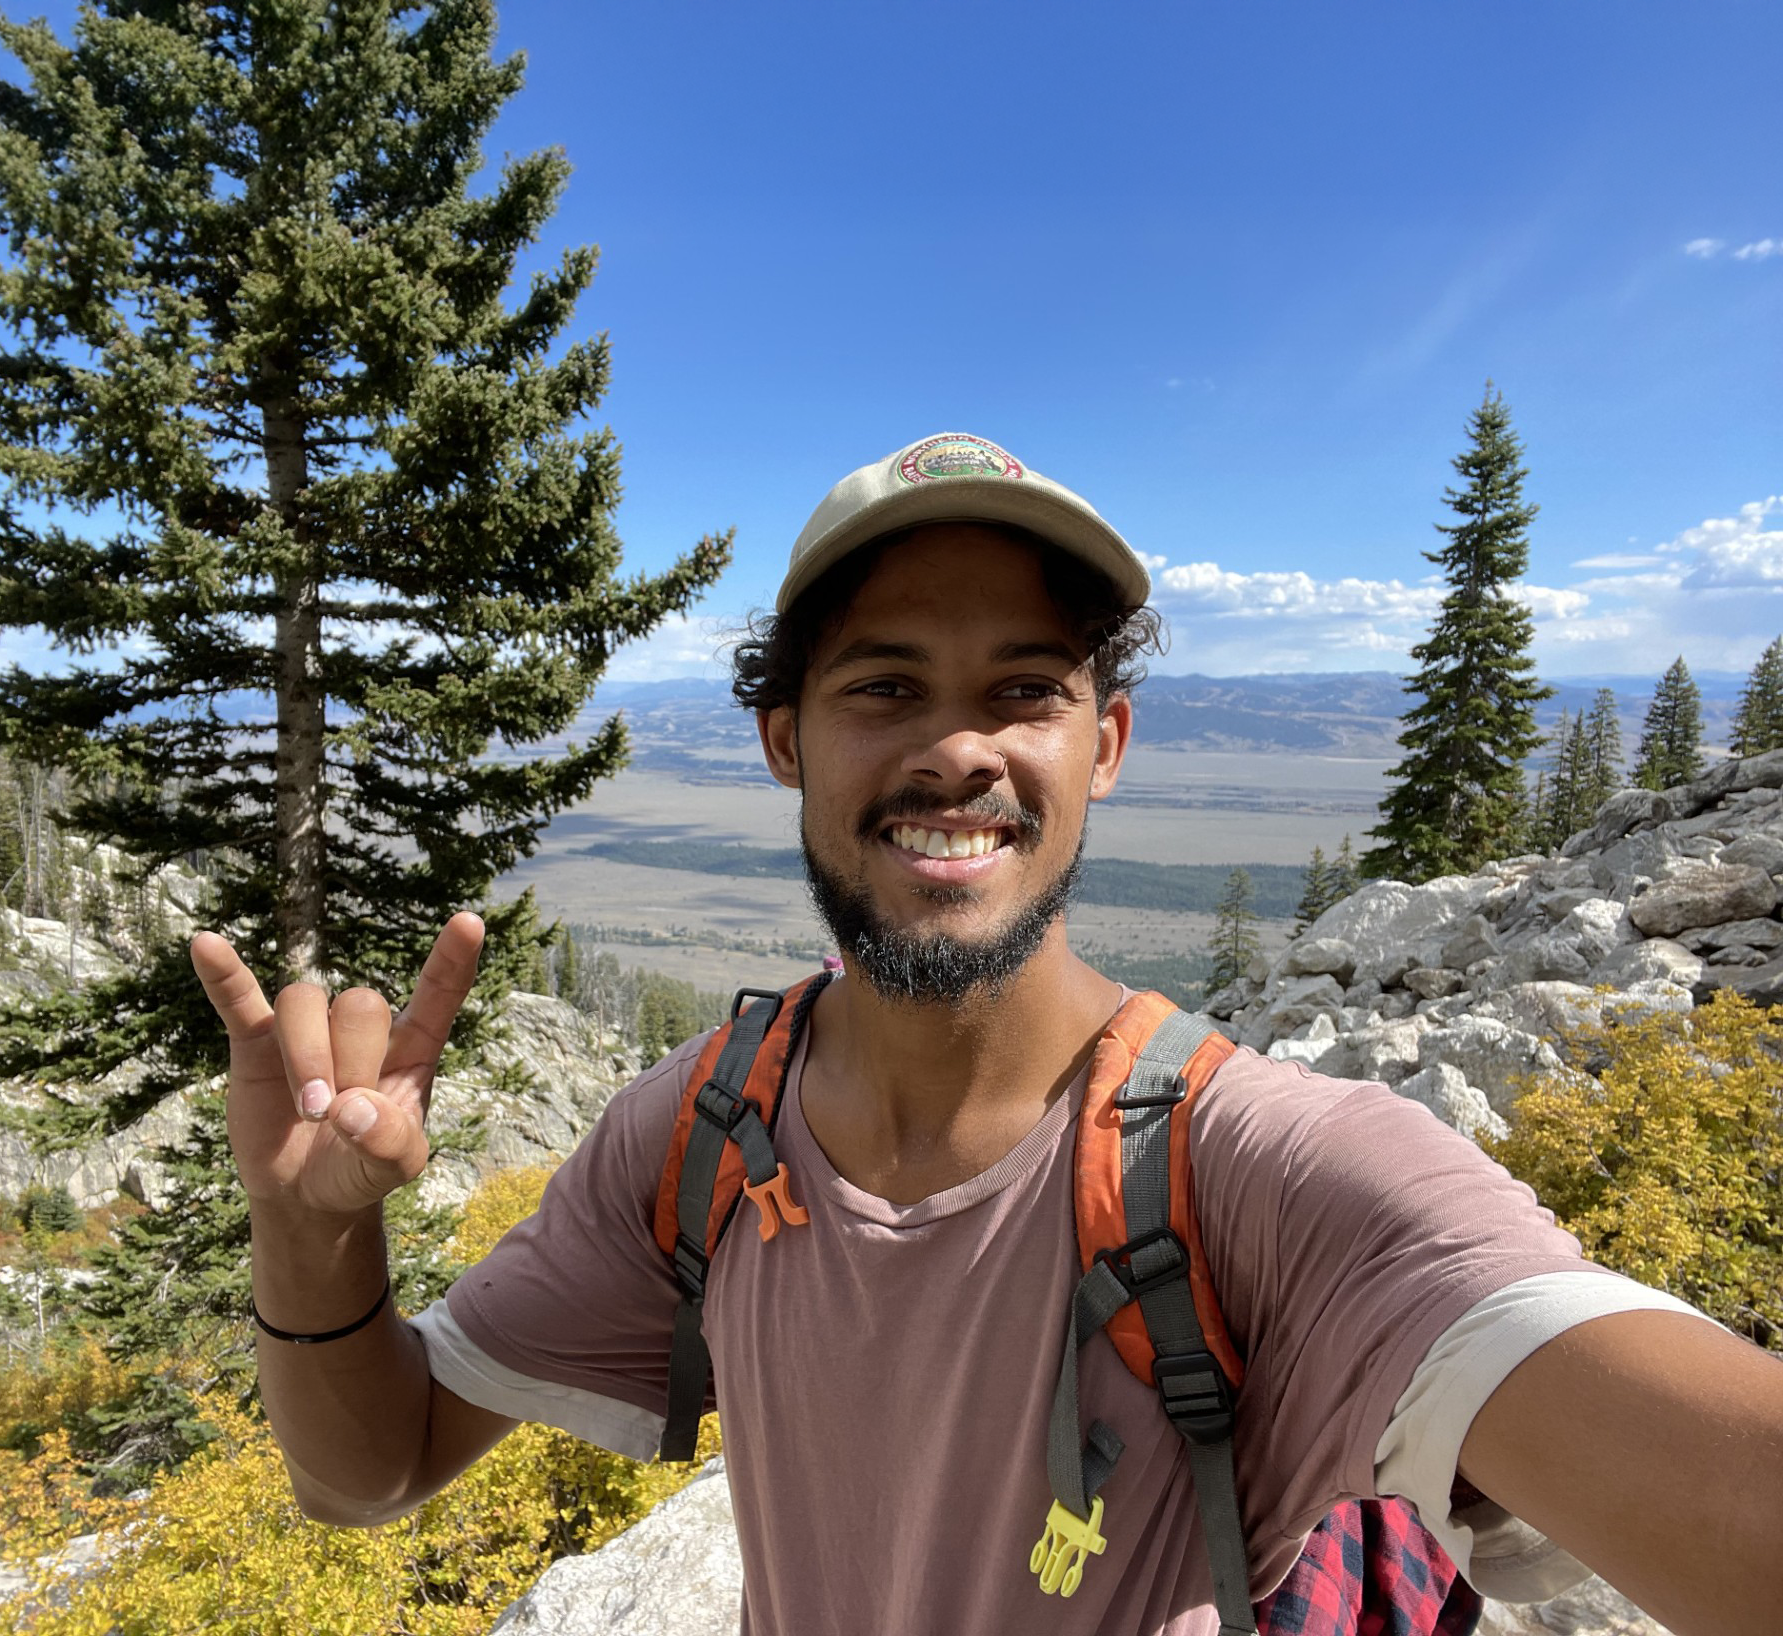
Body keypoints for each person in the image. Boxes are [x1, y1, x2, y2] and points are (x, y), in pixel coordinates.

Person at [188, 432, 1783, 1635]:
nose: (961, 751)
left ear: (1109, 741)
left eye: (1024, 690)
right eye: (885, 688)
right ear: (781, 741)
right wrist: (305, 1230)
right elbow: (367, 1472)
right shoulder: (703, 1131)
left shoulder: (1265, 1172)